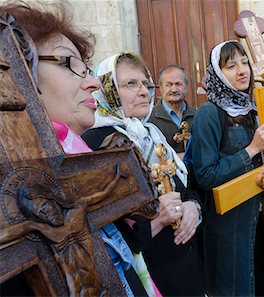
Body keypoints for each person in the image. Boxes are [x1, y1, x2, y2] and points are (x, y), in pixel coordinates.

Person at [0, 2, 159, 296]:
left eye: (87, 68)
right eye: (69, 63)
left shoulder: (88, 160)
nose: (94, 82)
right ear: (14, 70)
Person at [82, 51, 205, 297]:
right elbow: (103, 227)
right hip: (148, 274)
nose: (143, 92)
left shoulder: (151, 133)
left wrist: (193, 207)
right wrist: (159, 220)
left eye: (146, 84)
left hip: (186, 264)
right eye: (130, 84)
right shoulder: (94, 143)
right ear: (108, 89)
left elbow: (185, 187)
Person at [190, 40, 264, 296]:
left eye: (244, 62)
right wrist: (251, 149)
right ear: (217, 72)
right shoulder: (209, 113)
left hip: (260, 221)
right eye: (231, 65)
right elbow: (205, 175)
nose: (242, 70)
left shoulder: (252, 110)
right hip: (229, 229)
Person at [150, 64, 196, 156]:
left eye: (178, 84)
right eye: (169, 85)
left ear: (186, 87)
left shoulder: (198, 116)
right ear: (161, 88)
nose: (174, 89)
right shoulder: (149, 119)